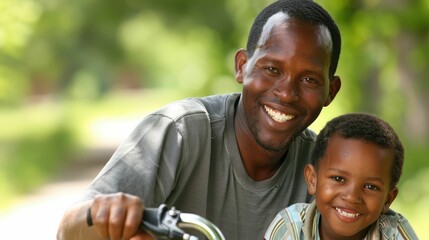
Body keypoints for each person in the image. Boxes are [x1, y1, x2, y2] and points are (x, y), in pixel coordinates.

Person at [57, 0, 342, 239]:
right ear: (242, 67)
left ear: (330, 91)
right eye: (271, 69)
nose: (286, 93)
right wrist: (104, 214)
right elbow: (69, 228)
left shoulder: (326, 169)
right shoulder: (180, 130)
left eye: (308, 79)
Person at [264, 112, 419, 240]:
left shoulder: (394, 234)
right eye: (338, 179)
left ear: (388, 199)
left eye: (370, 187)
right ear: (313, 179)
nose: (352, 197)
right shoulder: (291, 227)